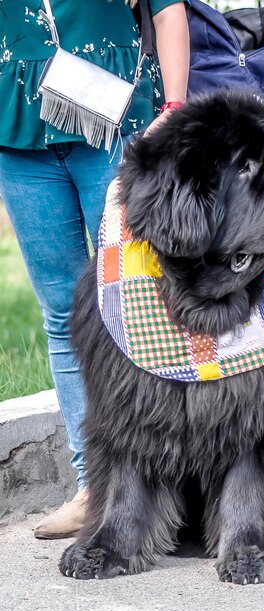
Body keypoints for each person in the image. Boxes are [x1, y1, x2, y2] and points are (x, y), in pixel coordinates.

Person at [0, 0, 189, 539]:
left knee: (145, 300)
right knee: (63, 312)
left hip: (121, 122)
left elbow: (168, 10)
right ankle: (95, 488)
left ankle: (170, 480)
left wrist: (173, 108)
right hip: (20, 136)